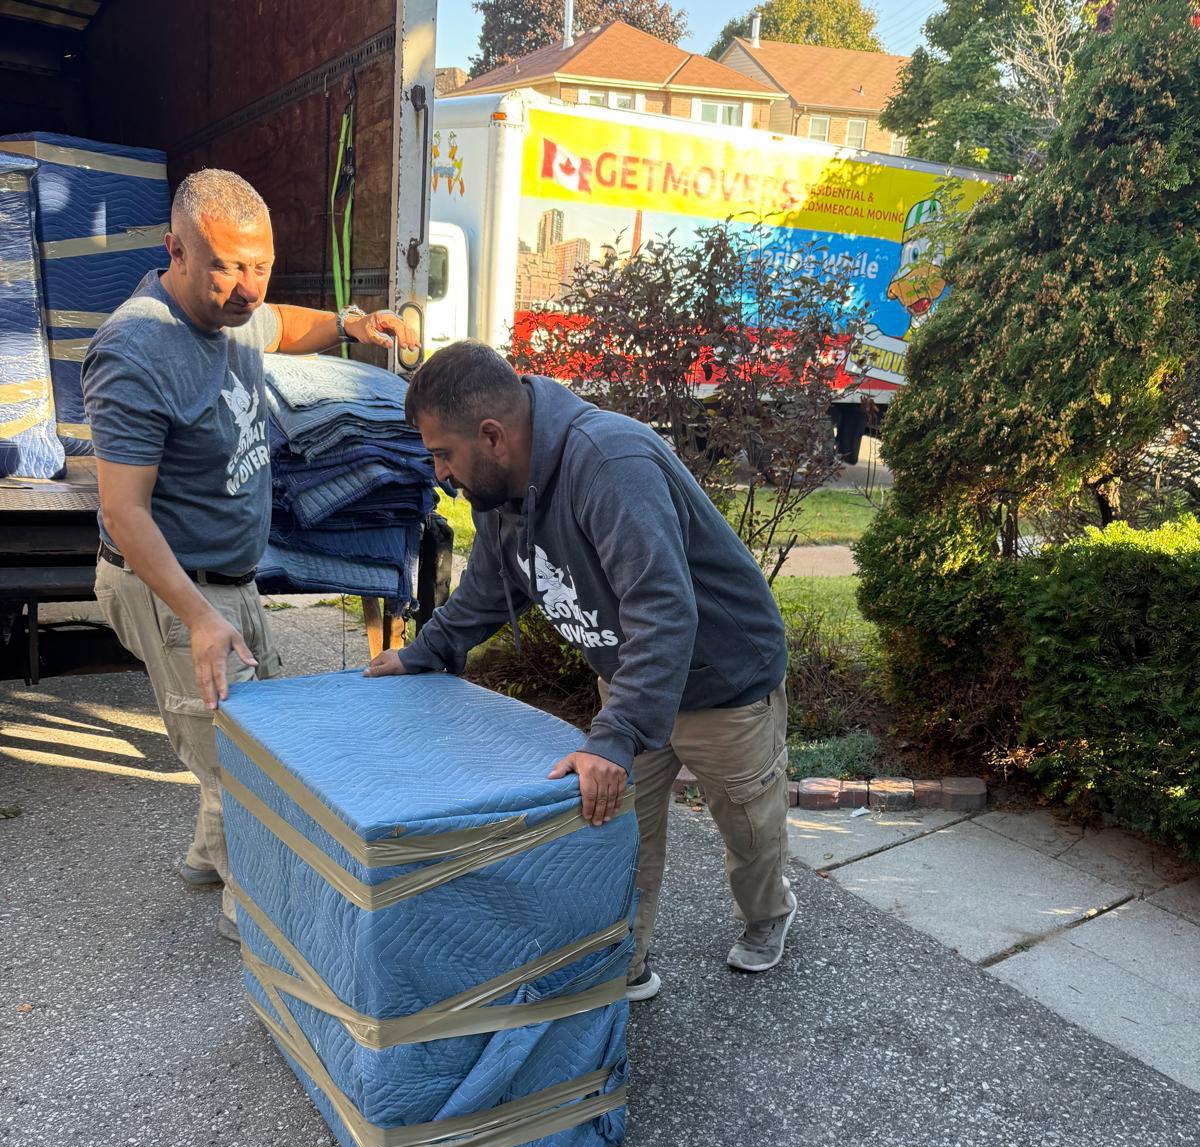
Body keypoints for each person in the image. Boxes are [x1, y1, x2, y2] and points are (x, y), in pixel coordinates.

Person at [364, 340, 794, 998]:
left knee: (748, 828)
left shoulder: (610, 463)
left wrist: (615, 733)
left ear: (492, 435)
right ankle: (625, 960)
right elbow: (487, 589)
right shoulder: (503, 488)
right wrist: (424, 652)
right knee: (621, 832)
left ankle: (768, 915)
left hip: (723, 685)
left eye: (442, 453)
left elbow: (662, 609)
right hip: (633, 679)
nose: (441, 473)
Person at [82, 167, 418, 944]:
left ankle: (208, 856)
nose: (246, 288)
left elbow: (279, 327)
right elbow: (124, 513)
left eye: (259, 265)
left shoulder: (233, 314)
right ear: (175, 250)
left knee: (243, 730)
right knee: (248, 769)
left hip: (229, 579)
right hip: (174, 590)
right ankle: (263, 919)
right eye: (226, 267)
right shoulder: (138, 349)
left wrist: (351, 324)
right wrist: (199, 618)